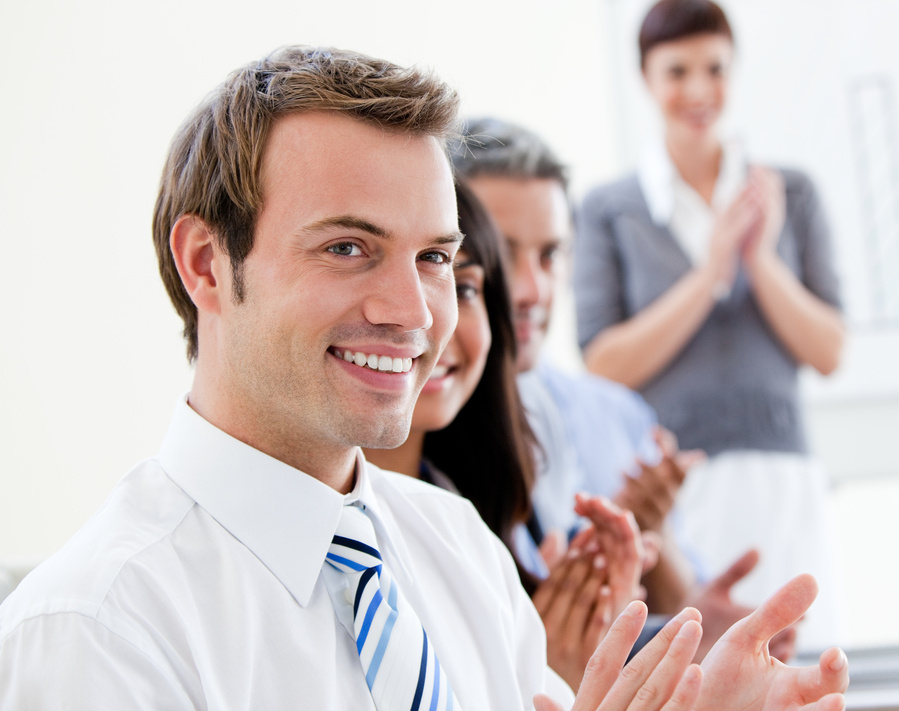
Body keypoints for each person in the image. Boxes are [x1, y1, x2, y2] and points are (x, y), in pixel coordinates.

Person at [0, 46, 848, 711]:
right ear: (207, 265)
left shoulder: (458, 551)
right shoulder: (97, 627)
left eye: (436, 258)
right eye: (348, 248)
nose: (414, 311)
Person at [450, 116, 796, 663]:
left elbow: (657, 621)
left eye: (549, 255)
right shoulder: (415, 432)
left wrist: (686, 614)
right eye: (501, 254)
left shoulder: (617, 417)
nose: (530, 289)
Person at [573, 0, 847, 646]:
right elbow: (604, 361)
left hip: (784, 479)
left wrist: (761, 256)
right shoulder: (610, 208)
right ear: (646, 78)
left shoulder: (791, 193)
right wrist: (712, 271)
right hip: (678, 494)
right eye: (677, 71)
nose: (699, 89)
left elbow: (830, 350)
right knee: (699, 665)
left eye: (715, 69)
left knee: (801, 664)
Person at [367, 183, 645, 691]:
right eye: (350, 253)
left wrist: (585, 657)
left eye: (463, 285)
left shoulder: (482, 535)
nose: (424, 315)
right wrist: (546, 682)